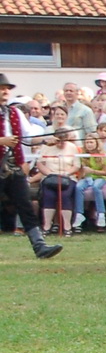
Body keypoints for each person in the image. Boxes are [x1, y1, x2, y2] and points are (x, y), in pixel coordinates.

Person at [0, 75, 62, 257]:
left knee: (25, 204)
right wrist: (2, 140)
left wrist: (45, 139)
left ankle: (39, 245)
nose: (5, 92)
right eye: (1, 88)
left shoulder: (14, 113)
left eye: (6, 89)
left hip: (12, 166)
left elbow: (27, 138)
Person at [30, 114, 83, 237]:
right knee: (49, 195)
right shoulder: (46, 147)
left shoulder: (72, 147)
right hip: (50, 177)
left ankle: (67, 227)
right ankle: (47, 226)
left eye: (63, 141)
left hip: (67, 178)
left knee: (65, 196)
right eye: (58, 141)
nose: (61, 144)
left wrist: (66, 173)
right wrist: (49, 173)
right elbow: (40, 163)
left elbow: (76, 165)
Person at [74, 132, 106, 230]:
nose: (89, 144)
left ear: (96, 143)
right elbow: (81, 171)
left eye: (91, 142)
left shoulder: (103, 155)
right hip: (87, 177)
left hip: (100, 177)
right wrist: (81, 176)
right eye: (87, 142)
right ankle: (79, 214)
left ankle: (101, 214)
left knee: (96, 187)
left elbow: (105, 172)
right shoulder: (82, 155)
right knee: (78, 187)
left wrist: (92, 171)